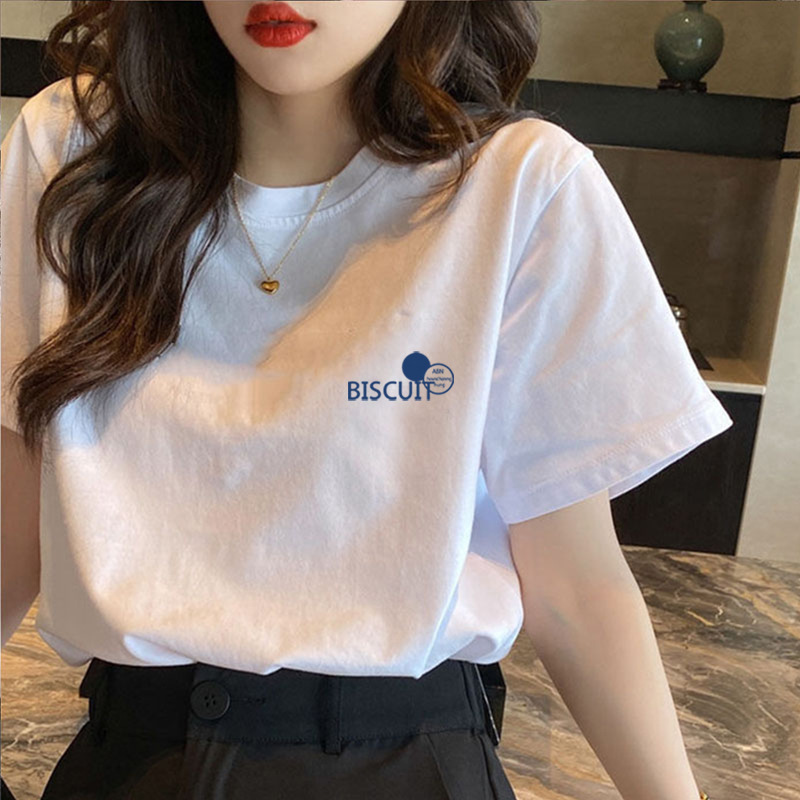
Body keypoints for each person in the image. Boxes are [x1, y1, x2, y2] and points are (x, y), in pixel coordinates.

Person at [0, 1, 726, 798]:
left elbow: (576, 587)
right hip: (130, 762)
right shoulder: (74, 151)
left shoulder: (521, 184)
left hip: (407, 764)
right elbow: (12, 515)